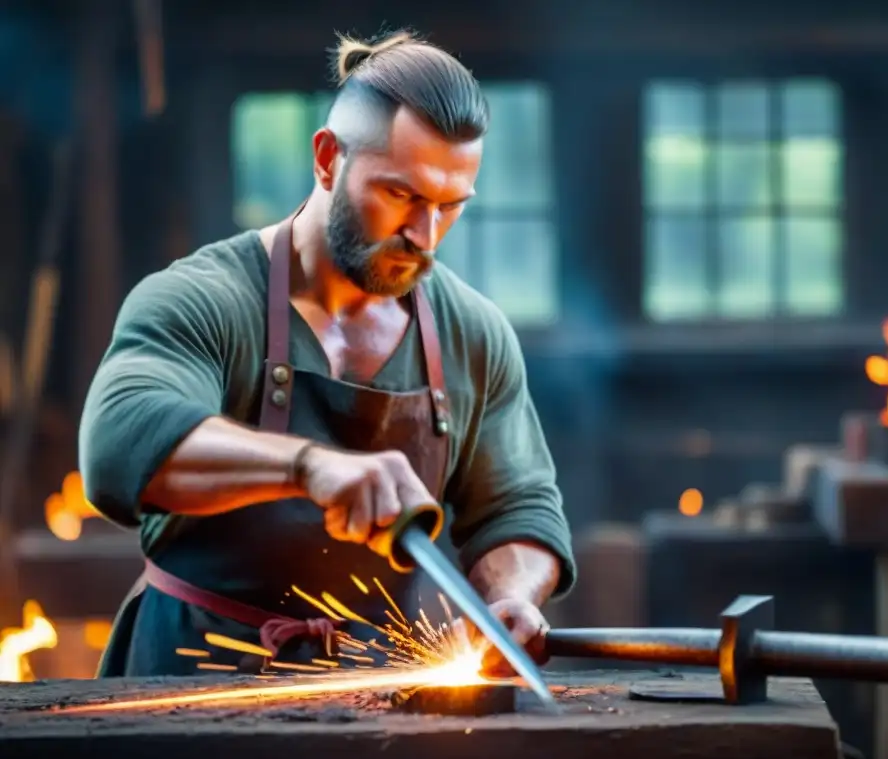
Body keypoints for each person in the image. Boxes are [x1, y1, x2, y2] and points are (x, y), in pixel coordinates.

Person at [78, 30, 576, 677]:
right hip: (182, 679)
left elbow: (519, 507)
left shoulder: (473, 332)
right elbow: (119, 444)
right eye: (403, 196)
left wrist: (512, 594)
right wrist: (308, 467)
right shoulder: (202, 299)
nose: (425, 236)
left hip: (374, 690)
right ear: (326, 159)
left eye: (450, 207)